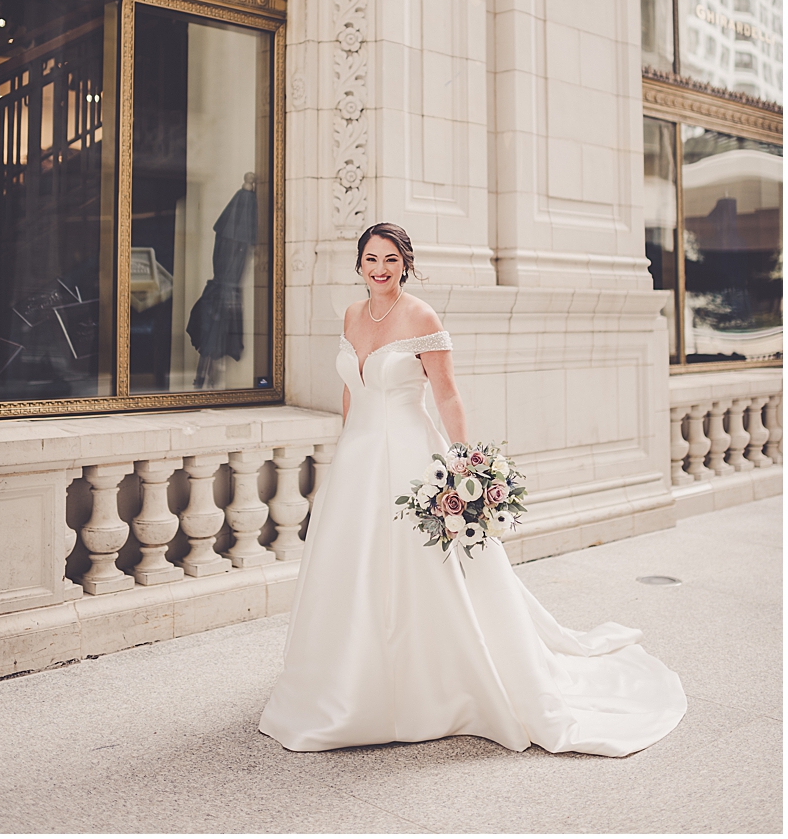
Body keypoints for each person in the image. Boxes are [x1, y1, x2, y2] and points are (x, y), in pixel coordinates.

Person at [258, 223, 686, 757]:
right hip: (358, 458)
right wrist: (346, 450)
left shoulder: (422, 317)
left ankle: (433, 683)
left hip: (410, 456)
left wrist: (465, 467)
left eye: (390, 259)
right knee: (351, 565)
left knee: (421, 568)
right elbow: (352, 390)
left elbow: (448, 397)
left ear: (405, 263)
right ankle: (345, 680)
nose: (380, 268)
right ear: (360, 264)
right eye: (371, 258)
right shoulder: (350, 315)